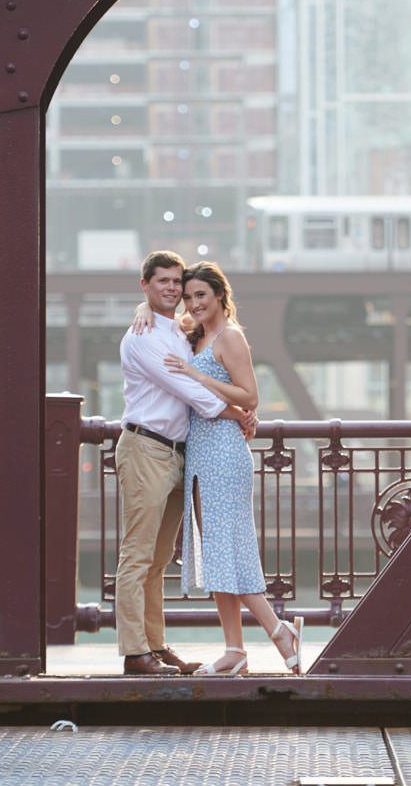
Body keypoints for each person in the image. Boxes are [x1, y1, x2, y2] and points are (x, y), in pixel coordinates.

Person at [134, 261, 302, 675]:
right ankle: (235, 651)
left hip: (224, 452)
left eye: (200, 295)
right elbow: (158, 323)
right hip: (200, 454)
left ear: (220, 295)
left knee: (230, 548)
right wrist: (143, 308)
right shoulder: (192, 334)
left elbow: (251, 397)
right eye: (189, 297)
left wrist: (196, 374)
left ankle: (279, 631)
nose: (193, 303)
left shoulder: (229, 338)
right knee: (216, 553)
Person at [116, 250, 254, 676]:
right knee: (137, 556)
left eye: (177, 282)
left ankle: (154, 647)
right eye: (163, 282)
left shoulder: (179, 330)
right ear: (145, 285)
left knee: (158, 560)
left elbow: (204, 349)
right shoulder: (142, 338)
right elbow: (190, 391)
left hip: (178, 452)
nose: (173, 290)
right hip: (146, 448)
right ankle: (135, 653)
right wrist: (241, 413)